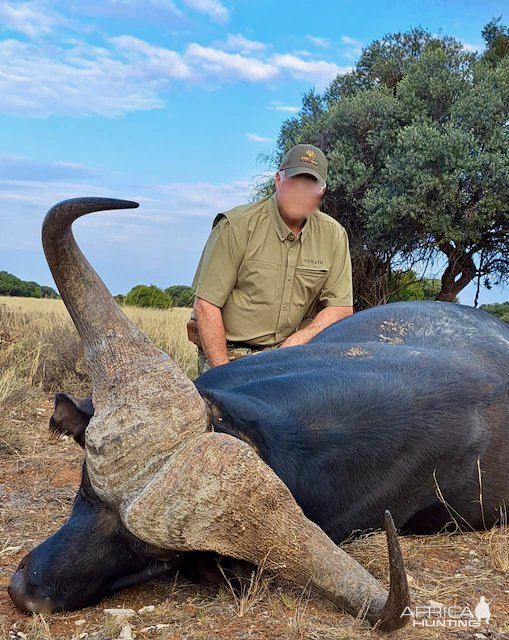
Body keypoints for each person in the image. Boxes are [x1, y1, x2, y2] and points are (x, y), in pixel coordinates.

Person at [187, 143, 354, 375]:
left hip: (291, 355)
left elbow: (340, 308)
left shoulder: (334, 235)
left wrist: (297, 342)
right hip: (231, 354)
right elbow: (206, 306)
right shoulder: (235, 227)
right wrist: (224, 375)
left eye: (311, 185)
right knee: (226, 410)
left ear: (321, 191)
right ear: (278, 180)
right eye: (294, 182)